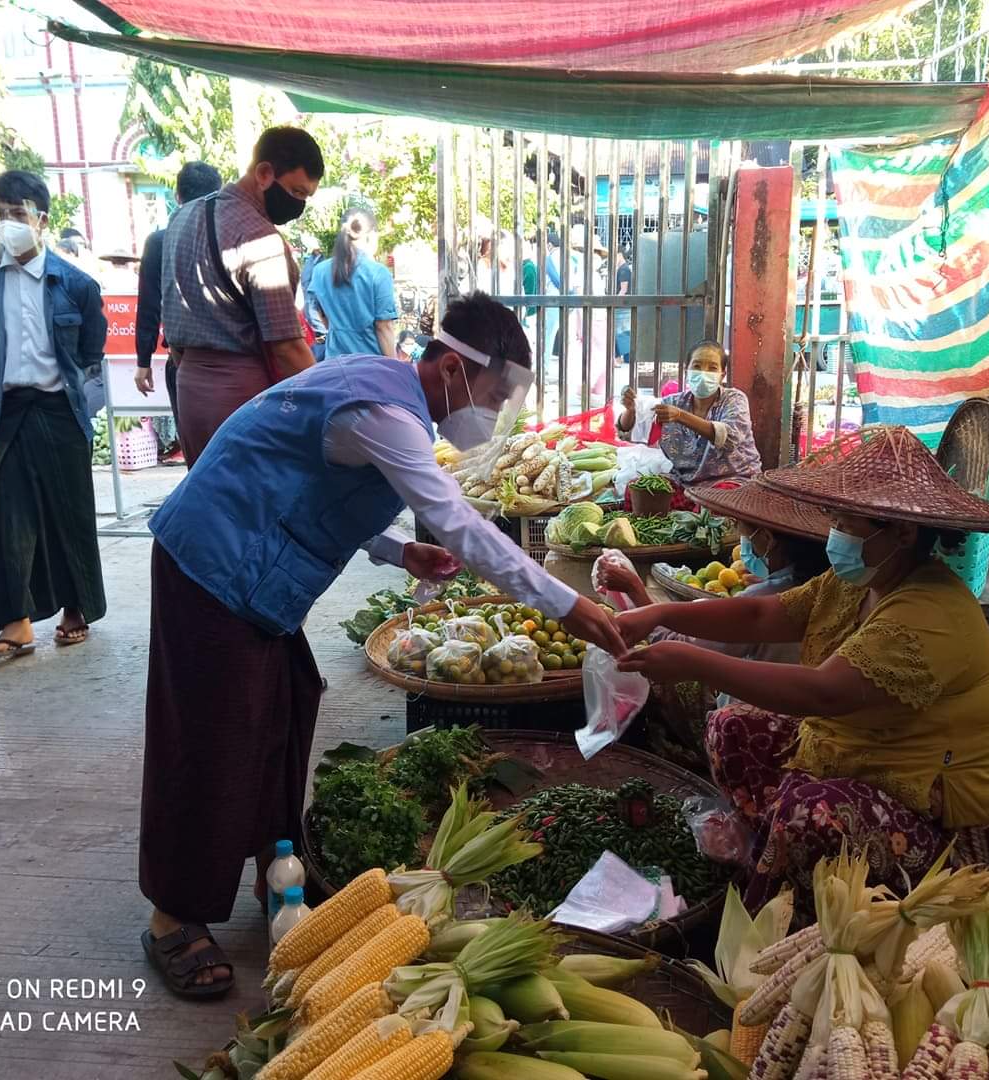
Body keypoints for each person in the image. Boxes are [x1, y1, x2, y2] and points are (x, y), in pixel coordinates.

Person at [138, 292, 625, 998]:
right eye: (492, 394)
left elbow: (303, 479)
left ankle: (272, 872)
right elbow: (456, 521)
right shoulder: (384, 408)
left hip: (254, 568)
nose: (492, 414)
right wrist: (567, 604)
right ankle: (170, 916)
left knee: (279, 717)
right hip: (210, 560)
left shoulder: (380, 393)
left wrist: (399, 554)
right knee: (210, 738)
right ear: (453, 367)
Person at [616, 426, 989, 913]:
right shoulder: (858, 583)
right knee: (733, 725)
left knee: (809, 815)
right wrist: (659, 613)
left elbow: (822, 692)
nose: (833, 529)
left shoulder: (930, 611)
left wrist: (691, 661)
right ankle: (773, 851)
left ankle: (784, 887)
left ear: (902, 532)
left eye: (845, 520)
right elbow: (762, 614)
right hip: (862, 761)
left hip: (946, 829)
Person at [0, 170, 108, 659]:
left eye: (18, 214)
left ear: (42, 220)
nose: (8, 223)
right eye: (1, 213)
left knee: (69, 514)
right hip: (12, 408)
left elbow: (92, 354)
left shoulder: (77, 284)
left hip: (59, 408)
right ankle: (16, 623)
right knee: (9, 516)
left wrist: (80, 404)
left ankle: (76, 609)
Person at [599, 476, 830, 771]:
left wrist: (638, 593)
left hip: (763, 733)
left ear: (768, 541)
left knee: (659, 687)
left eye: (744, 530)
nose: (740, 537)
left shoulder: (770, 597)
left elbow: (678, 643)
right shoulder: (822, 586)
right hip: (801, 722)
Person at [161, 126, 322, 465]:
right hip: (242, 395)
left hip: (188, 388)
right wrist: (329, 402)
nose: (299, 204)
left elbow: (172, 324)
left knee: (207, 498)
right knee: (248, 504)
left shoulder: (181, 218)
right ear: (264, 173)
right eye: (296, 191)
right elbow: (287, 348)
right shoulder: (260, 240)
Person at [134, 161, 222, 427]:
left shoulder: (161, 240)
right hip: (233, 362)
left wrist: (143, 361)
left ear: (177, 197)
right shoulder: (229, 234)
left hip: (185, 360)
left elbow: (149, 304)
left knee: (196, 447)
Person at [617, 339, 762, 485]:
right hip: (687, 481)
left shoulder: (734, 399)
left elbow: (728, 438)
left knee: (714, 504)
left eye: (712, 368)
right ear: (687, 370)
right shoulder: (673, 402)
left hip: (733, 479)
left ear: (722, 375)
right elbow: (629, 429)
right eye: (697, 366)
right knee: (637, 490)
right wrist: (630, 409)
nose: (703, 373)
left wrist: (680, 416)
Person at [307, 206, 397, 360]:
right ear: (371, 235)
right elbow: (384, 327)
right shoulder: (378, 273)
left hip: (335, 363)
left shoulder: (320, 271)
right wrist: (396, 371)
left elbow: (319, 314)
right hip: (371, 367)